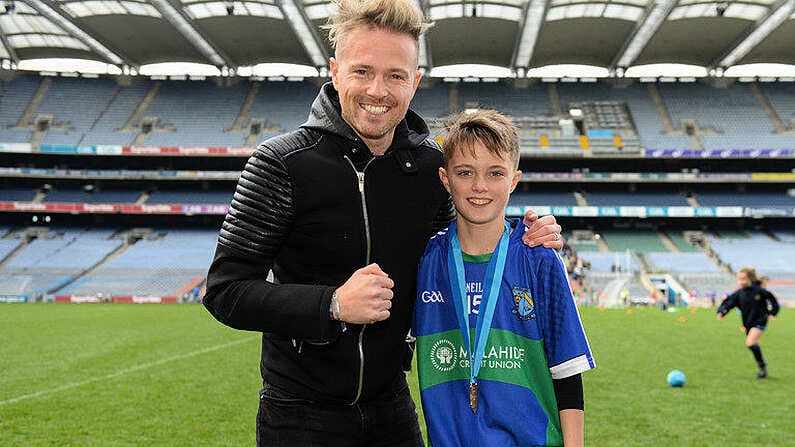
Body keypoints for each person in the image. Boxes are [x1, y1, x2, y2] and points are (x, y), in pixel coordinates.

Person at [202, 1, 563, 446]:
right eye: (362, 71)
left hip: (392, 408)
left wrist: (527, 234)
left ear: (415, 82)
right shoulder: (281, 163)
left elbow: (466, 244)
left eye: (395, 75)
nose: (378, 90)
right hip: (299, 414)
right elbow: (225, 291)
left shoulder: (430, 167)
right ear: (335, 71)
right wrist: (331, 304)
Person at [413, 110, 594, 447]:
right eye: (465, 172)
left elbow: (567, 371)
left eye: (495, 173)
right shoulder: (425, 262)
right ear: (445, 178)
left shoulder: (539, 258)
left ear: (513, 179)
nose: (480, 186)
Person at [716, 267, 779, 379]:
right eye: (739, 279)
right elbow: (728, 303)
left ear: (750, 278)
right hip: (748, 323)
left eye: (743, 279)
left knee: (750, 342)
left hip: (760, 320)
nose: (741, 281)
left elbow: (773, 300)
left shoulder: (759, 291)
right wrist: (722, 311)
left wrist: (772, 313)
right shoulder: (739, 293)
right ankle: (763, 368)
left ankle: (762, 366)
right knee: (754, 344)